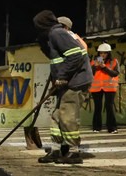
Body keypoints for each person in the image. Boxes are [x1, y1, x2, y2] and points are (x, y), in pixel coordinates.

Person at [33, 9, 93, 164]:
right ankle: (56, 150)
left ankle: (73, 153)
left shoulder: (57, 34)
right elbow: (59, 60)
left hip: (74, 81)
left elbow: (75, 56)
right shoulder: (53, 36)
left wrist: (62, 76)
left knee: (67, 117)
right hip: (66, 82)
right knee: (56, 116)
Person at [90, 42, 119, 133]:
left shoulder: (114, 61)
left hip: (109, 87)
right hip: (96, 87)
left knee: (109, 107)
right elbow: (90, 73)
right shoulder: (94, 62)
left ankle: (112, 128)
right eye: (101, 53)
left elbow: (115, 73)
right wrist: (95, 67)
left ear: (108, 53)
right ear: (98, 53)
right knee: (98, 107)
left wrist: (104, 68)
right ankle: (96, 127)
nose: (102, 55)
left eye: (105, 53)